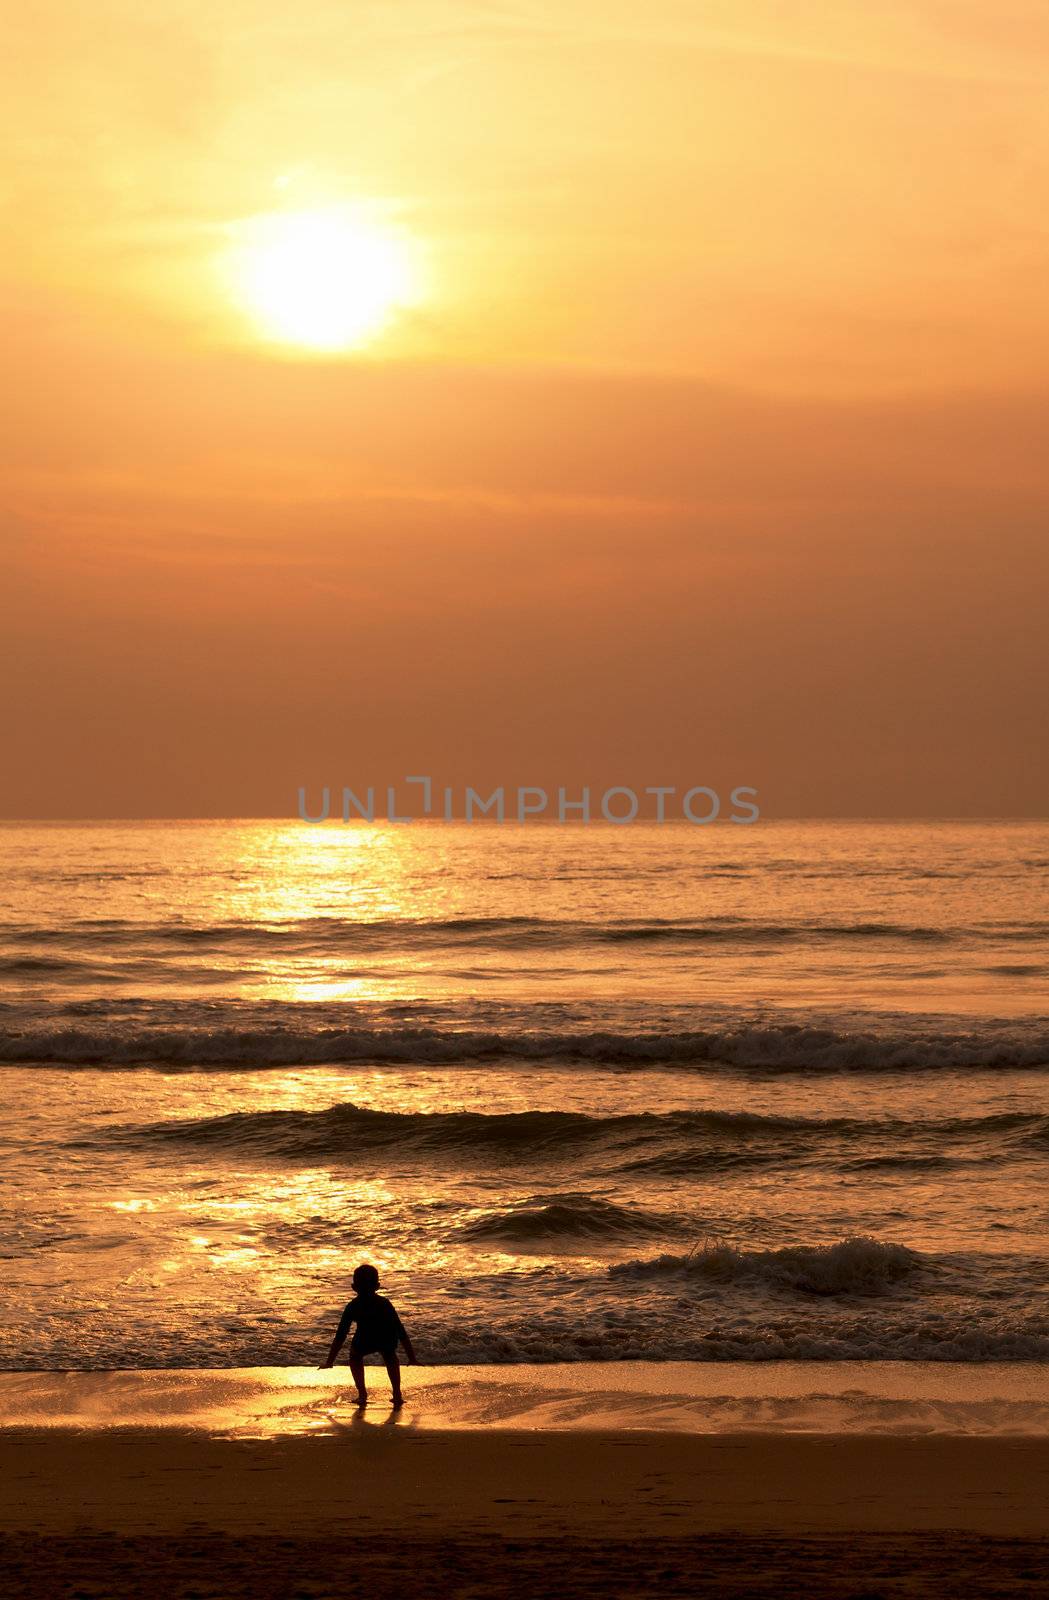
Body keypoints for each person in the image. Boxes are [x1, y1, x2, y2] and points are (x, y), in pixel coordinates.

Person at [320, 1263, 417, 1407]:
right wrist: (411, 1357)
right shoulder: (384, 1303)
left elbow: (341, 1335)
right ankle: (397, 1393)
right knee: (390, 1356)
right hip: (386, 1337)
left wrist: (330, 1361)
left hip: (366, 1338)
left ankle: (362, 1394)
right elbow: (400, 1330)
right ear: (377, 1286)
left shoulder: (353, 1306)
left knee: (355, 1355)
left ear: (354, 1287)